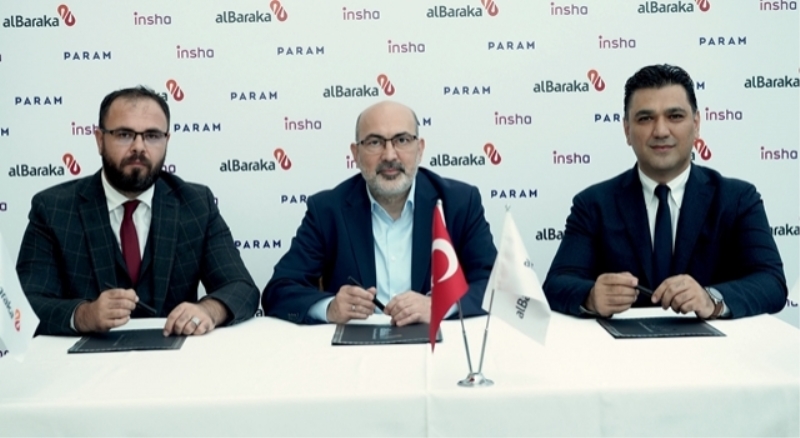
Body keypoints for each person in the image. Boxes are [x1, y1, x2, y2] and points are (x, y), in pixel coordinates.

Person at [543, 64, 787, 319]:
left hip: (715, 344)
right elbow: (556, 284)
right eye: (645, 118)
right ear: (627, 130)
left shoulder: (738, 199)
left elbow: (771, 283)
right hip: (621, 344)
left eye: (675, 116)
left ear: (696, 124)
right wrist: (591, 296)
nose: (660, 131)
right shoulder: (593, 204)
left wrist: (711, 299)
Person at [16, 86, 259, 336]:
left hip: (174, 354)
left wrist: (208, 310)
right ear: (100, 140)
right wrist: (83, 315)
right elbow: (24, 305)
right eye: (124, 134)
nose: (139, 147)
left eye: (152, 136)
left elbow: (241, 288)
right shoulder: (53, 208)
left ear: (166, 141)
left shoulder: (196, 204)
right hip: (84, 356)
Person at [263, 100, 496, 325]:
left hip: (436, 342)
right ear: (356, 154)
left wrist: (440, 305)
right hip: (356, 345)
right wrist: (330, 308)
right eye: (375, 142)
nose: (390, 155)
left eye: (402, 140)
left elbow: (495, 285)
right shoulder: (327, 210)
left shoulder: (459, 203)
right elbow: (279, 290)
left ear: (420, 149)